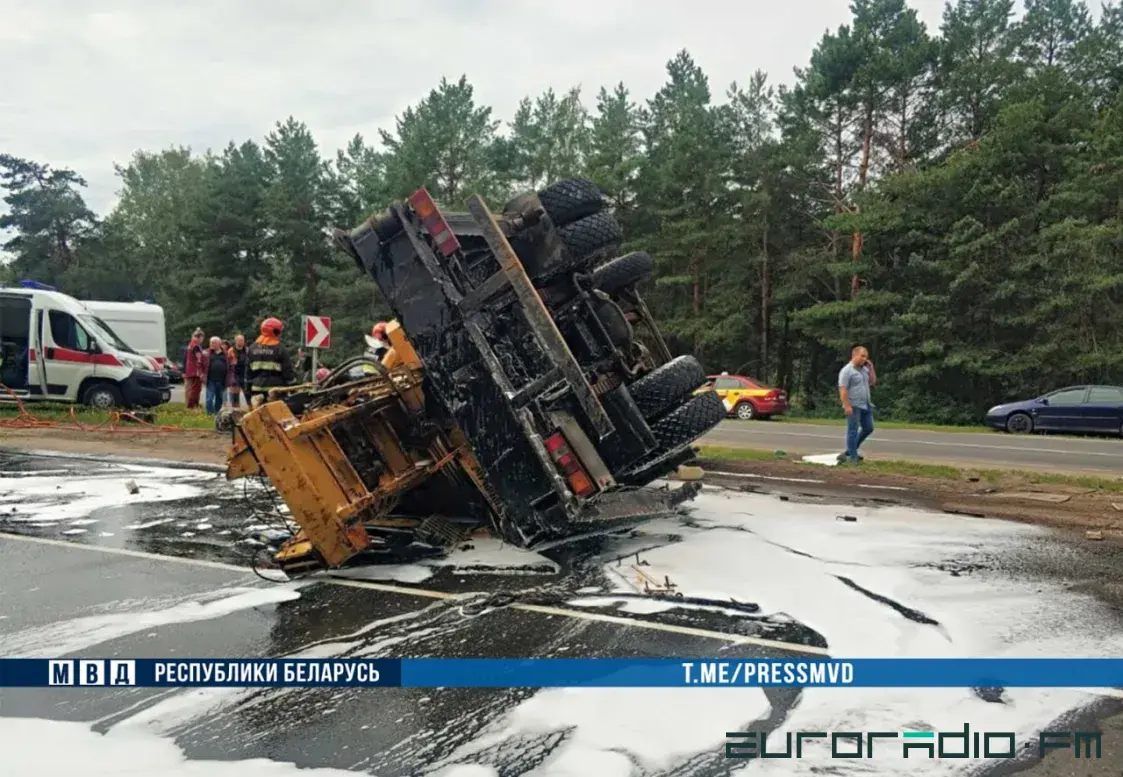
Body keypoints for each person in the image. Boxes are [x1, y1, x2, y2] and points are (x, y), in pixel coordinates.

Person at [838, 345, 877, 464]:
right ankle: (853, 458)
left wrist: (871, 368)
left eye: (866, 357)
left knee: (869, 428)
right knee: (853, 430)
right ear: (854, 355)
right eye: (862, 356)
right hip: (853, 404)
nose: (865, 359)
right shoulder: (847, 370)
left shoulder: (864, 369)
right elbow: (843, 389)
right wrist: (847, 405)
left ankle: (850, 451)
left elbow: (872, 382)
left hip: (866, 404)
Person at [246, 317, 295, 406]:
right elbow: (287, 371)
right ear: (275, 332)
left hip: (256, 389)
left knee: (258, 415)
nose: (280, 334)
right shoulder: (280, 349)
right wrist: (293, 386)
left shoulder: (252, 348)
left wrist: (248, 390)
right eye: (280, 332)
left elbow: (248, 372)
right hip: (276, 390)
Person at [204, 336, 233, 415]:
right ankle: (209, 413)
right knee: (209, 398)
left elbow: (231, 366)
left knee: (219, 399)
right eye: (211, 342)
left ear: (219, 344)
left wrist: (230, 378)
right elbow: (201, 365)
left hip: (222, 380)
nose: (211, 344)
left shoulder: (226, 354)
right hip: (210, 380)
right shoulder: (206, 353)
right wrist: (201, 375)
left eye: (213, 343)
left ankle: (217, 413)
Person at [183, 328, 206, 409]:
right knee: (195, 389)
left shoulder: (191, 344)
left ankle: (191, 404)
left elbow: (185, 358)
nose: (202, 340)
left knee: (190, 389)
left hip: (189, 369)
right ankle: (191, 406)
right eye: (202, 338)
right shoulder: (196, 345)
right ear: (200, 337)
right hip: (195, 371)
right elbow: (199, 358)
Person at [227, 333, 248, 407]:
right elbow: (227, 365)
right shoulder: (230, 351)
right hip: (234, 376)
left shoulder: (247, 350)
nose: (240, 342)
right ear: (235, 341)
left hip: (245, 375)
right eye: (239, 340)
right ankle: (235, 413)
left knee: (248, 396)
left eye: (242, 340)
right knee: (234, 398)